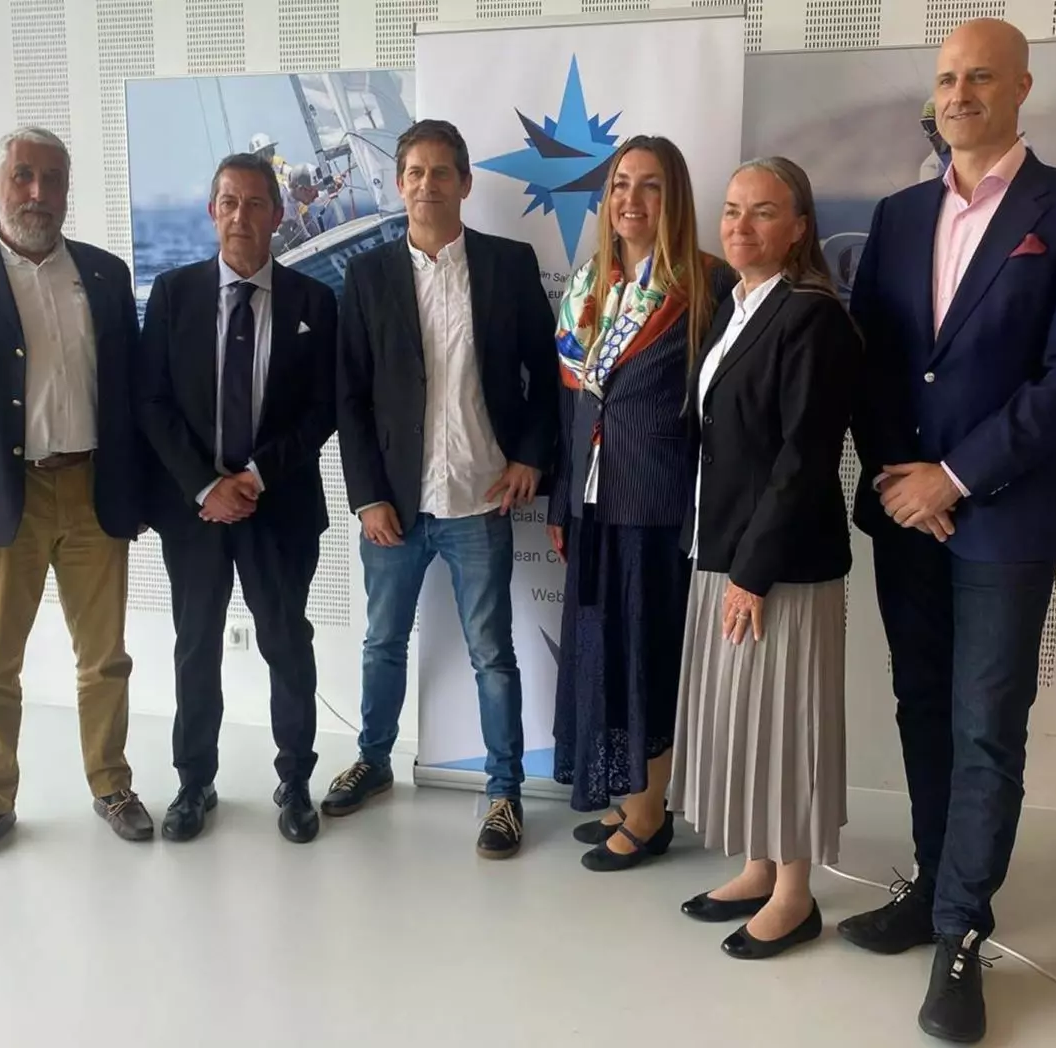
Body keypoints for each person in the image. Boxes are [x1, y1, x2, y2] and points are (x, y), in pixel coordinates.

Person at [844, 18, 1056, 1044]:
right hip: (906, 512)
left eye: (980, 76)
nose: (959, 93)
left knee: (987, 725)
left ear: (1022, 86)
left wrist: (952, 476)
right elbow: (869, 361)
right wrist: (902, 480)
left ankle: (960, 931)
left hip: (1004, 517)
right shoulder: (898, 215)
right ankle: (933, 884)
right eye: (947, 78)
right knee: (922, 707)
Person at [0, 126, 153, 869]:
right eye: (24, 176)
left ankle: (111, 785)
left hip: (93, 489)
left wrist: (143, 489)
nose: (38, 193)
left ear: (68, 189)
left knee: (104, 658)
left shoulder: (104, 275)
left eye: (52, 178)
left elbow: (131, 395)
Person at [333, 119, 556, 859]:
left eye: (440, 172)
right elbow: (349, 397)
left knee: (492, 653)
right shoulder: (367, 276)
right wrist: (367, 496)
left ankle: (504, 793)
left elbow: (546, 373)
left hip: (480, 498)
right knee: (382, 643)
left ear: (464, 182)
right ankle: (373, 761)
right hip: (395, 505)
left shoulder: (508, 266)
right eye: (414, 172)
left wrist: (530, 457)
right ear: (399, 184)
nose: (426, 184)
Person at [668, 157, 858, 959]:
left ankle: (795, 894)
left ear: (800, 227)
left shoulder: (812, 317)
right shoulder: (735, 306)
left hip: (779, 564)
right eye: (732, 210)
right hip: (723, 547)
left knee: (787, 727)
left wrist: (751, 572)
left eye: (764, 212)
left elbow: (803, 458)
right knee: (745, 719)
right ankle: (757, 866)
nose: (741, 226)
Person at [139, 152, 337, 845]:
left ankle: (296, 781)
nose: (240, 216)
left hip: (278, 507)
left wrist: (254, 476)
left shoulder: (314, 302)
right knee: (196, 645)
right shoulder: (173, 294)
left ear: (278, 215)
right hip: (194, 511)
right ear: (211, 212)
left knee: (287, 642)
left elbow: (323, 409)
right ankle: (194, 781)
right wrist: (205, 485)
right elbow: (152, 402)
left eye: (255, 203)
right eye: (228, 202)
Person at [546, 135, 728, 871]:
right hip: (593, 501)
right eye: (621, 184)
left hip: (657, 506)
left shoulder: (705, 286)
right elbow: (574, 410)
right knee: (602, 652)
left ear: (673, 198)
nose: (631, 199)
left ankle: (651, 812)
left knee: (646, 654)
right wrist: (562, 499)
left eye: (650, 186)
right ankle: (629, 795)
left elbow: (719, 412)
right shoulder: (592, 285)